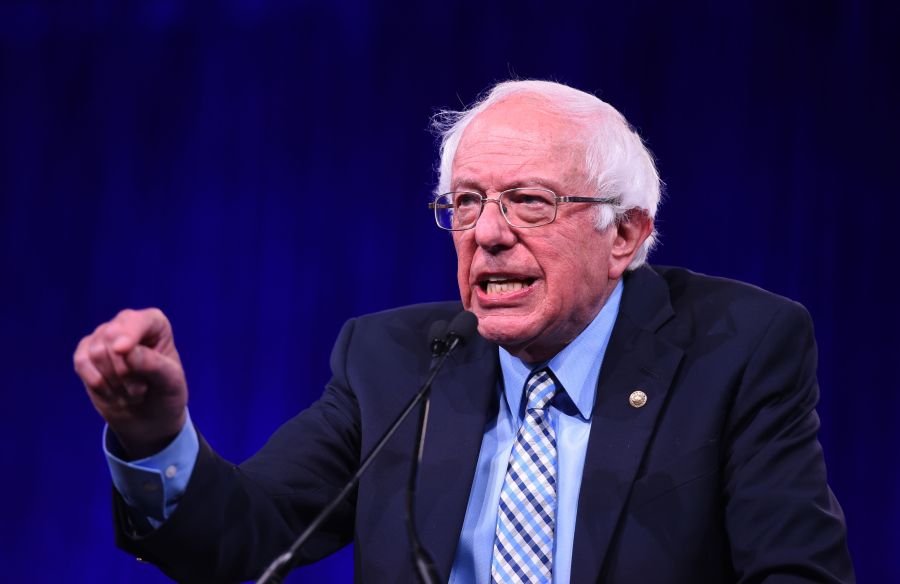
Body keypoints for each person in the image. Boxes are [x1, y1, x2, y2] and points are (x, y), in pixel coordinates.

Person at [74, 80, 854, 583]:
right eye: (467, 202)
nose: (487, 233)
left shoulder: (739, 348)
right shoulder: (391, 360)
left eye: (530, 201)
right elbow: (243, 537)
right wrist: (154, 435)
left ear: (626, 235)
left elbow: (797, 574)